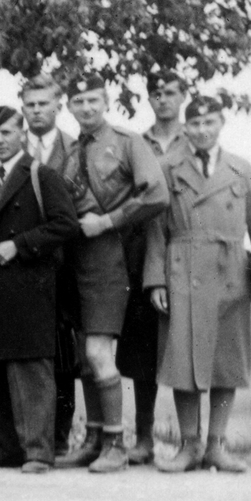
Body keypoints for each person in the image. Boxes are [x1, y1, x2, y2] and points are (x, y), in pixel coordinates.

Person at [146, 92, 251, 473]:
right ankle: (189, 446)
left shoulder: (241, 169)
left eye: (209, 123)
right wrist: (155, 281)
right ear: (186, 127)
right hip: (182, 269)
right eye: (195, 124)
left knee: (226, 360)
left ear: (220, 124)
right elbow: (155, 229)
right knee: (183, 358)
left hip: (230, 271)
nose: (202, 131)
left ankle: (217, 445)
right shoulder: (168, 167)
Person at [59, 73, 170, 472]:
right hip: (78, 260)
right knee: (85, 355)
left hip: (113, 258)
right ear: (69, 107)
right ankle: (93, 438)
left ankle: (116, 445)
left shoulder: (127, 142)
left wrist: (107, 222)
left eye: (92, 100)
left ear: (105, 101)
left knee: (98, 352)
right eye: (78, 102)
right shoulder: (70, 153)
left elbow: (156, 193)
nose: (86, 108)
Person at [0, 107, 81, 472]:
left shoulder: (40, 175)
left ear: (22, 134)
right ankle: (8, 449)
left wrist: (21, 245)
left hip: (29, 288)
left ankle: (38, 452)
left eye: (6, 133)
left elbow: (66, 224)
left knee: (30, 369)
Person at [114, 71, 191, 465]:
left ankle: (189, 441)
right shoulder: (135, 143)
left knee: (184, 347)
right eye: (156, 94)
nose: (163, 100)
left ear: (183, 97)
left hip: (185, 250)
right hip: (142, 252)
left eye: (170, 93)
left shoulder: (194, 140)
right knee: (142, 349)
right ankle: (143, 438)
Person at [20, 74, 83, 457]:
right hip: (23, 264)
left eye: (44, 103)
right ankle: (26, 436)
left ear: (58, 106)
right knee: (25, 347)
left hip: (66, 264)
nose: (37, 110)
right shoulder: (9, 149)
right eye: (30, 104)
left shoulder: (75, 150)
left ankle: (58, 437)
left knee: (63, 350)